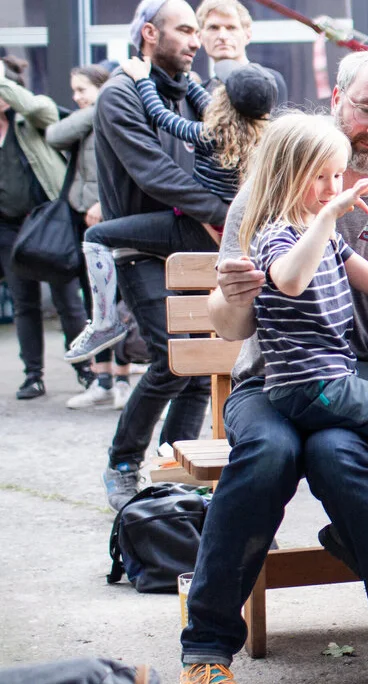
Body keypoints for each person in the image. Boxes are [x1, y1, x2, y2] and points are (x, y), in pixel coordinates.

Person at [181, 47, 368, 684]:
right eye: (365, 109)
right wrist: (230, 297)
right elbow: (234, 322)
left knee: (339, 457)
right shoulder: (276, 188)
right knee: (266, 453)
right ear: (337, 101)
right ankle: (206, 648)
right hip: (270, 379)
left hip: (359, 379)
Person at [240, 112, 368, 509]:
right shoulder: (277, 234)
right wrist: (326, 218)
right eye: (319, 176)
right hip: (305, 385)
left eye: (336, 176)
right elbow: (290, 280)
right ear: (285, 175)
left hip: (336, 374)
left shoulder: (328, 236)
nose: (332, 188)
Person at [92, 0, 230, 511]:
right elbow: (154, 173)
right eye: (186, 30)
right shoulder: (120, 95)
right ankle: (123, 462)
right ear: (149, 33)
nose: (197, 40)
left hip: (195, 240)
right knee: (173, 359)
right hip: (141, 247)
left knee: (200, 365)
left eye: (198, 31)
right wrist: (227, 212)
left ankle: (172, 468)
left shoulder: (195, 94)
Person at [65, 56, 273, 362]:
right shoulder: (260, 136)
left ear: (225, 102)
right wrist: (186, 79)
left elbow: (161, 116)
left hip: (194, 227)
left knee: (96, 236)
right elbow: (204, 100)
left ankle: (104, 322)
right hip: (223, 231)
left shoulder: (207, 135)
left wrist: (141, 80)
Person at [0, 55, 91, 400]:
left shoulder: (32, 117)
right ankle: (33, 375)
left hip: (46, 222)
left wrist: (4, 80)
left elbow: (40, 109)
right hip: (8, 230)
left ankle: (86, 369)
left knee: (68, 300)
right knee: (24, 302)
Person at [46, 64, 136, 410]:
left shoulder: (115, 118)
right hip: (84, 224)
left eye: (83, 89)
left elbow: (122, 168)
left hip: (111, 221)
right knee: (94, 302)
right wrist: (95, 108)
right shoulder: (89, 119)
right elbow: (54, 135)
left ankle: (124, 379)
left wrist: (102, 201)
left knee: (118, 300)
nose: (76, 96)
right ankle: (101, 380)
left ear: (103, 88)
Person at [194, 0, 288, 106]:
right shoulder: (199, 92)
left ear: (247, 35)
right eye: (213, 28)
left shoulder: (270, 80)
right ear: (200, 36)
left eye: (231, 28)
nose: (222, 36)